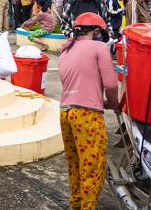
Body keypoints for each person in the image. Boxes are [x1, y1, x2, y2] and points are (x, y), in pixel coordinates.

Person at [58, 13, 119, 210]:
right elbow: (110, 84)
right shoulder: (99, 47)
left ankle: (76, 204)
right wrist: (113, 103)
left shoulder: (66, 50)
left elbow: (78, 85)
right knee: (92, 167)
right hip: (87, 116)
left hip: (66, 113)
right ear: (96, 31)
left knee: (75, 164)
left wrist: (100, 101)